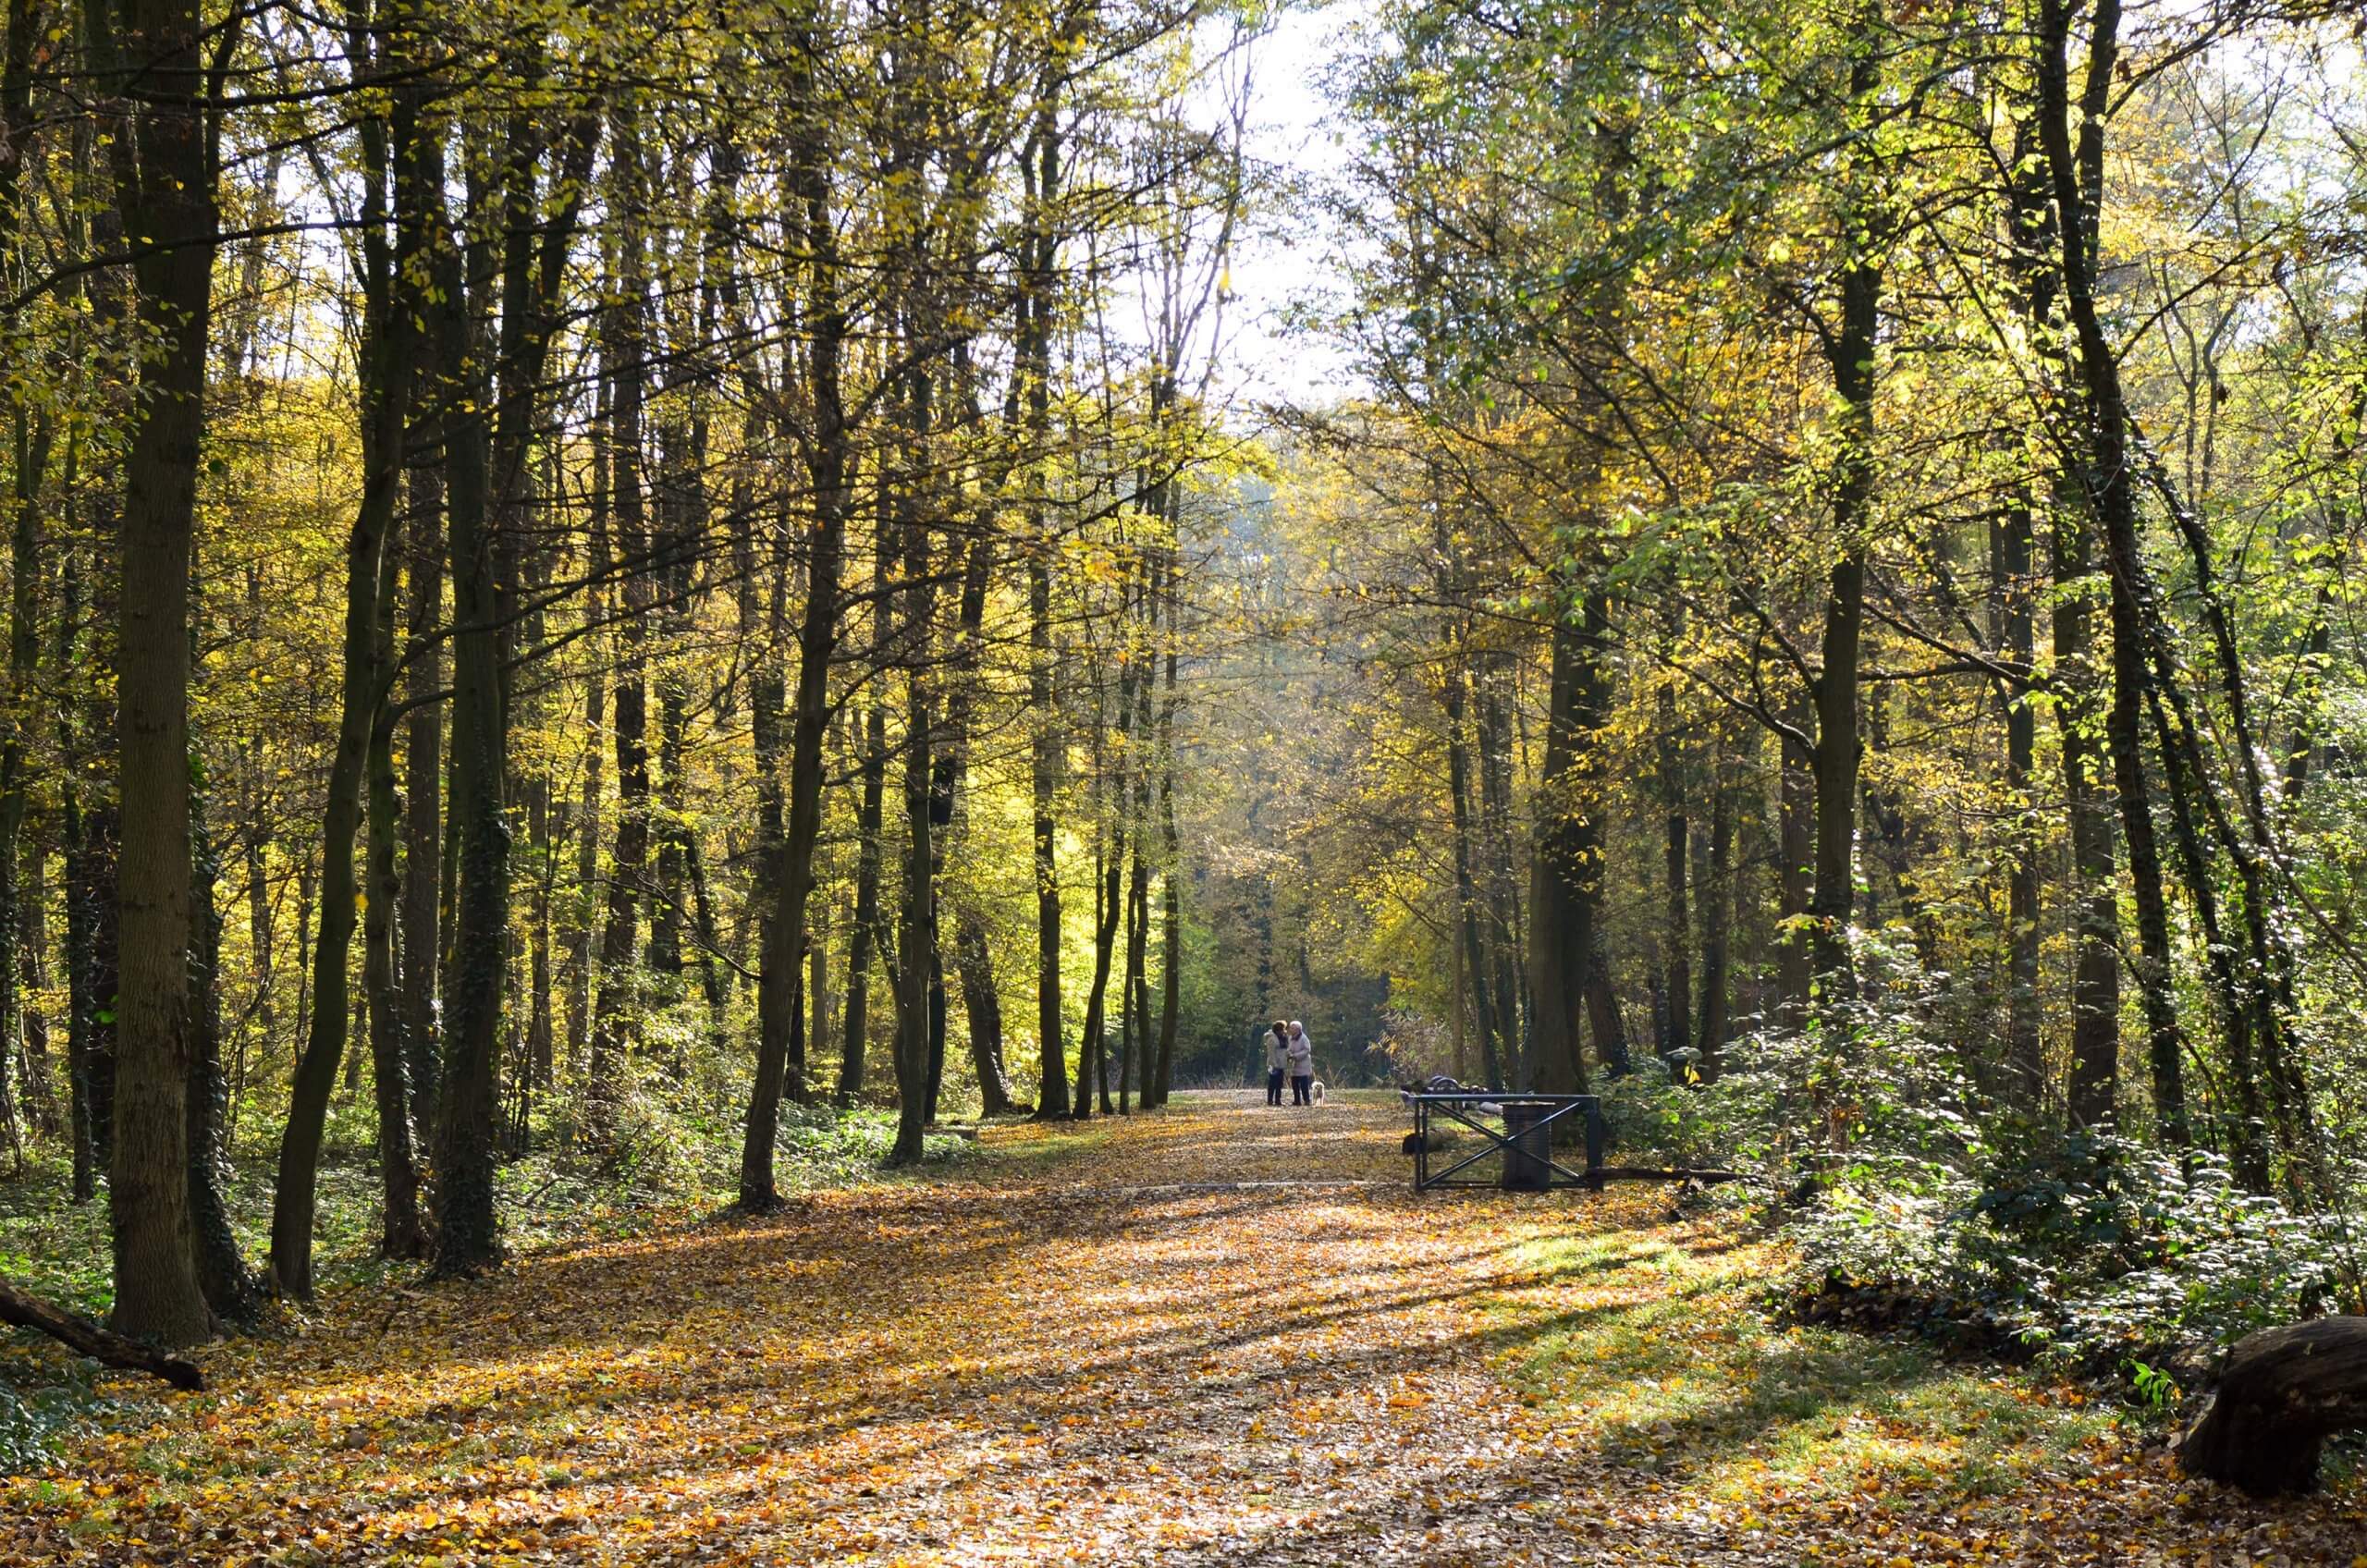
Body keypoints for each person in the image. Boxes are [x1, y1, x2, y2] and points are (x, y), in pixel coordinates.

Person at [1286, 1020, 1315, 1107]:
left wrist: (1296, 1056)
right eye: (1290, 1028)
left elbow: (1307, 1050)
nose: (1290, 1030)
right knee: (1294, 1083)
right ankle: (1297, 1100)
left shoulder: (1304, 1038)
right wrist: (1289, 1054)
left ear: (1298, 1029)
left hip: (1303, 1064)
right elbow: (1288, 1048)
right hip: (1294, 1065)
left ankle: (1307, 1100)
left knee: (1304, 1084)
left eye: (1292, 1028)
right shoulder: (1290, 1038)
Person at [1264, 1020, 1290, 1106]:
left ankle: (1278, 1100)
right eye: (1283, 1029)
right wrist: (1275, 1065)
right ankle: (1270, 1100)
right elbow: (1271, 1053)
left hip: (1281, 1064)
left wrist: (1289, 1056)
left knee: (1279, 1083)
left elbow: (1285, 1050)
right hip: (1273, 1065)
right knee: (1272, 1083)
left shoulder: (1283, 1038)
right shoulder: (1271, 1039)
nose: (1284, 1031)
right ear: (1278, 1030)